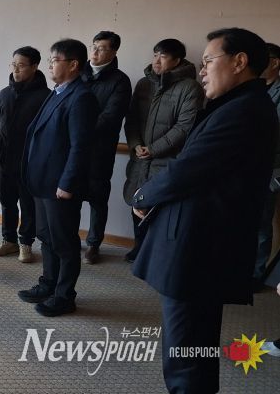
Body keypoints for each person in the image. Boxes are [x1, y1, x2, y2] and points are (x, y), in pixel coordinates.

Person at [132, 27, 277, 393]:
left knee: (186, 354)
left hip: (200, 250)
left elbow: (188, 169)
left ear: (239, 62)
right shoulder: (238, 104)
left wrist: (143, 196)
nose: (202, 70)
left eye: (209, 61)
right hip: (203, 245)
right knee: (194, 346)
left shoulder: (244, 110)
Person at [17, 39, 98, 317]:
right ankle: (48, 284)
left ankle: (64, 296)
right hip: (42, 182)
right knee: (46, 237)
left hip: (60, 186)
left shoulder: (81, 97)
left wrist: (67, 183)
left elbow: (80, 147)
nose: (50, 65)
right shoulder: (58, 92)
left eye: (55, 60)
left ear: (73, 64)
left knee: (64, 242)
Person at [123, 39, 203, 262]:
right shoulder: (144, 84)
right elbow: (132, 119)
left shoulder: (190, 88)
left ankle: (155, 255)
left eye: (163, 56)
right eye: (155, 55)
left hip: (167, 159)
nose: (157, 61)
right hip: (140, 157)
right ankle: (139, 247)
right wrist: (135, 145)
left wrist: (154, 149)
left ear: (177, 61)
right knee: (137, 201)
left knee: (160, 207)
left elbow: (184, 127)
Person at [0, 46, 50, 263]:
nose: (16, 69)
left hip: (29, 161)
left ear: (34, 67)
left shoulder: (45, 96)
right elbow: (0, 119)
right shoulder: (4, 94)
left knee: (28, 205)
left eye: (21, 65)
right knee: (7, 202)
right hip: (5, 158)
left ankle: (26, 243)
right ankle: (9, 241)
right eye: (13, 64)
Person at [80, 31, 132, 264]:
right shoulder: (78, 72)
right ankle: (70, 237)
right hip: (72, 147)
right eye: (93, 46)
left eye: (101, 48)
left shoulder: (120, 80)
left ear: (113, 52)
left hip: (100, 149)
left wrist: (80, 130)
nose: (95, 51)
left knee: (97, 197)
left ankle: (93, 244)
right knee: (69, 193)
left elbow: (111, 116)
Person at [254, 43, 280, 290]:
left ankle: (256, 275)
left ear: (275, 62)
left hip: (270, 169)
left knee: (261, 224)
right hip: (244, 167)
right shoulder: (253, 88)